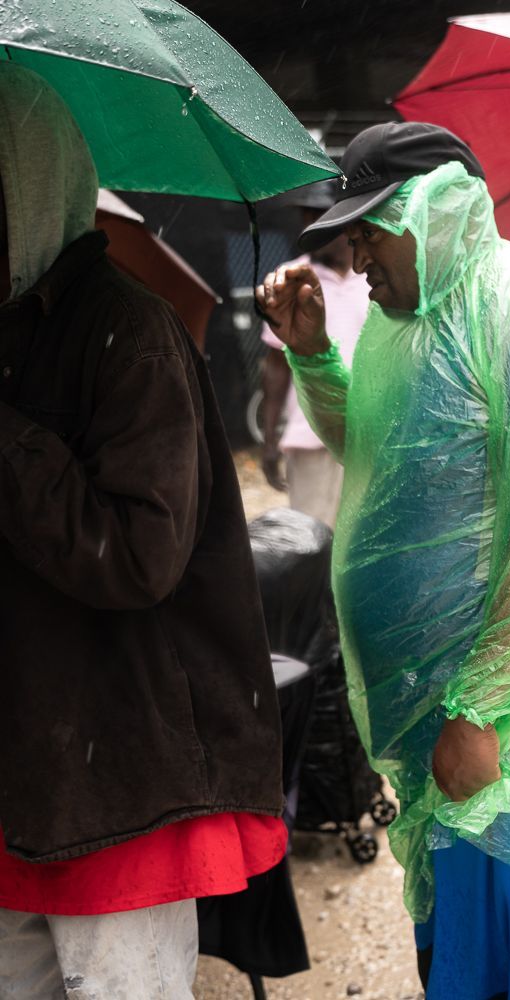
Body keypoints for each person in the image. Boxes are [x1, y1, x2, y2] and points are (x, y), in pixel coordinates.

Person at [258, 120, 510, 1000]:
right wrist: (312, 354)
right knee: (452, 944)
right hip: (429, 705)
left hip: (503, 709)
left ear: (438, 208)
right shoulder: (400, 322)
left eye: (372, 228)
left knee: (509, 958)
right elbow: (375, 458)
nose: (358, 253)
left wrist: (481, 710)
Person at [0, 64, 285, 998]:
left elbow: (137, 556)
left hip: (119, 777)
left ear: (28, 181)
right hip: (24, 770)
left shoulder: (135, 336)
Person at [261, 180, 369, 527]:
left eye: (319, 215)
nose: (311, 225)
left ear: (347, 219)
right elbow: (275, 365)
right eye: (306, 215)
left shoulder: (377, 279)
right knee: (312, 544)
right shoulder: (287, 281)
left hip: (371, 435)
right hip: (310, 434)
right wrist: (269, 437)